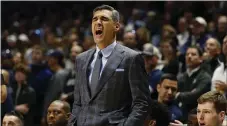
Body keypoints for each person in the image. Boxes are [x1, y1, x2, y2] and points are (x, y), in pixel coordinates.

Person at [68, 5, 151, 126]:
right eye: (95, 19)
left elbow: (142, 103)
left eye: (104, 19)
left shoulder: (131, 58)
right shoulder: (81, 59)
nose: (98, 22)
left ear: (116, 26)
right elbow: (78, 102)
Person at [176, 46, 211, 122]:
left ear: (201, 58)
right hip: (181, 114)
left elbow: (196, 95)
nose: (189, 56)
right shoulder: (181, 76)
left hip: (198, 118)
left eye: (193, 54)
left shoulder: (205, 77)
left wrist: (178, 95)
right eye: (187, 54)